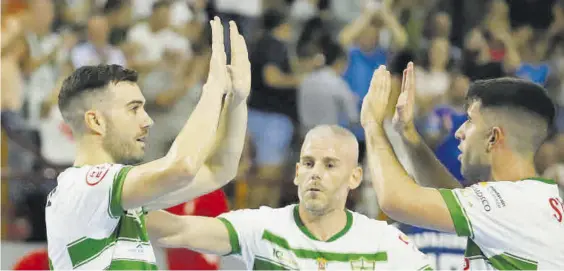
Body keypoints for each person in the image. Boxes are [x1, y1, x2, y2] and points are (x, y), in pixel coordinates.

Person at [45, 17, 250, 270]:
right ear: (96, 121)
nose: (148, 120)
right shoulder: (82, 188)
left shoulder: (121, 202)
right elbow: (182, 168)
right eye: (134, 109)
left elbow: (219, 169)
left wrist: (235, 100)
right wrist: (212, 88)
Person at [361, 63, 564, 270]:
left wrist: (372, 123)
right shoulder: (528, 201)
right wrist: (408, 132)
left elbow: (395, 199)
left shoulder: (511, 204)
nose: (459, 132)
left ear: (493, 138)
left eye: (469, 120)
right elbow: (450, 194)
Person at [145, 124, 432, 270]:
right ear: (296, 173)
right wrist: (113, 199)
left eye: (330, 165)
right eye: (308, 163)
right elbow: (176, 229)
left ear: (355, 177)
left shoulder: (384, 243)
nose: (315, 174)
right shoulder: (262, 227)